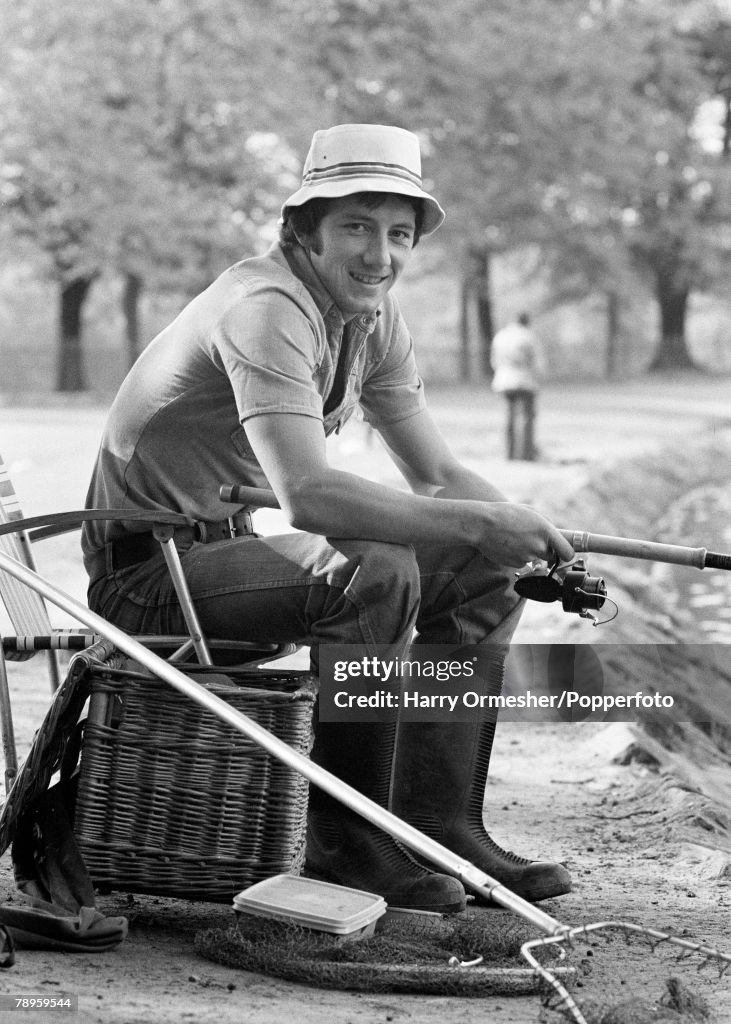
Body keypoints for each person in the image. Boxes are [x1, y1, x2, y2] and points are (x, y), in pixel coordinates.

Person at [82, 124, 574, 913]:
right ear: (301, 231)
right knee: (372, 565)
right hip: (149, 578)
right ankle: (346, 844)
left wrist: (525, 532)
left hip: (234, 560)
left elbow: (440, 475)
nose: (379, 253)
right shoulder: (265, 307)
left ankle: (438, 824)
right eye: (355, 226)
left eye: (398, 233)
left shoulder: (372, 320)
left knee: (492, 567)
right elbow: (308, 494)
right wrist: (480, 522)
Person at [491, 313, 544, 461]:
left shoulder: (500, 336)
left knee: (508, 417)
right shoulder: (528, 336)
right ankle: (525, 454)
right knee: (526, 418)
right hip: (524, 381)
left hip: (503, 380)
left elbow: (494, 361)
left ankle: (509, 453)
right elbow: (537, 362)